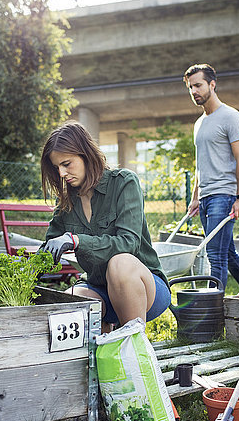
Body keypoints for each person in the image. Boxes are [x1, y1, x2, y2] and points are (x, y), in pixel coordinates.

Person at [40, 120, 171, 332]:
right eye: (57, 168)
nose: (62, 174)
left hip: (145, 290)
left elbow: (129, 243)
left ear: (85, 154)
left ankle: (133, 347)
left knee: (120, 264)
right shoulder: (66, 201)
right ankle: (100, 353)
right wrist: (17, 270)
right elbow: (47, 250)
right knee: (73, 300)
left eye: (66, 164)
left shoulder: (123, 183)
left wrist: (77, 240)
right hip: (99, 288)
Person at [184, 63, 239, 290]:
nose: (194, 91)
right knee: (228, 254)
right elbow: (200, 163)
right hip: (205, 198)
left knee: (215, 256)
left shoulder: (231, 117)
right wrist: (195, 197)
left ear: (212, 84)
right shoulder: (199, 123)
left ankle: (213, 316)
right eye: (191, 87)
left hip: (224, 195)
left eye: (198, 85)